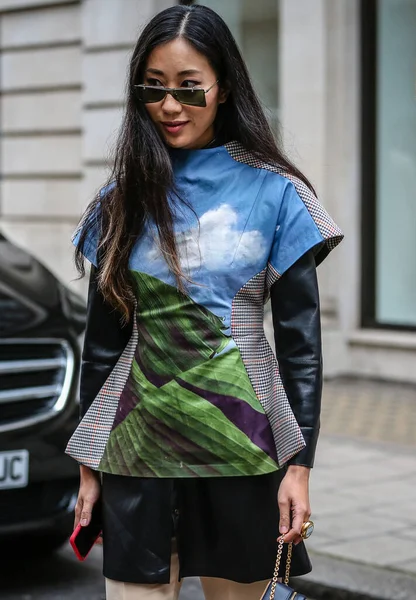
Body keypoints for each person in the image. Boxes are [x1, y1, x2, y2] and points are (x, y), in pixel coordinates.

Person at [66, 4, 343, 599]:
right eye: (154, 89)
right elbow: (102, 347)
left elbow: (300, 348)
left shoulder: (278, 192)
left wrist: (300, 467)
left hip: (245, 453)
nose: (170, 107)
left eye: (190, 90)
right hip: (133, 455)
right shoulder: (119, 200)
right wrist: (89, 465)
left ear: (223, 89)